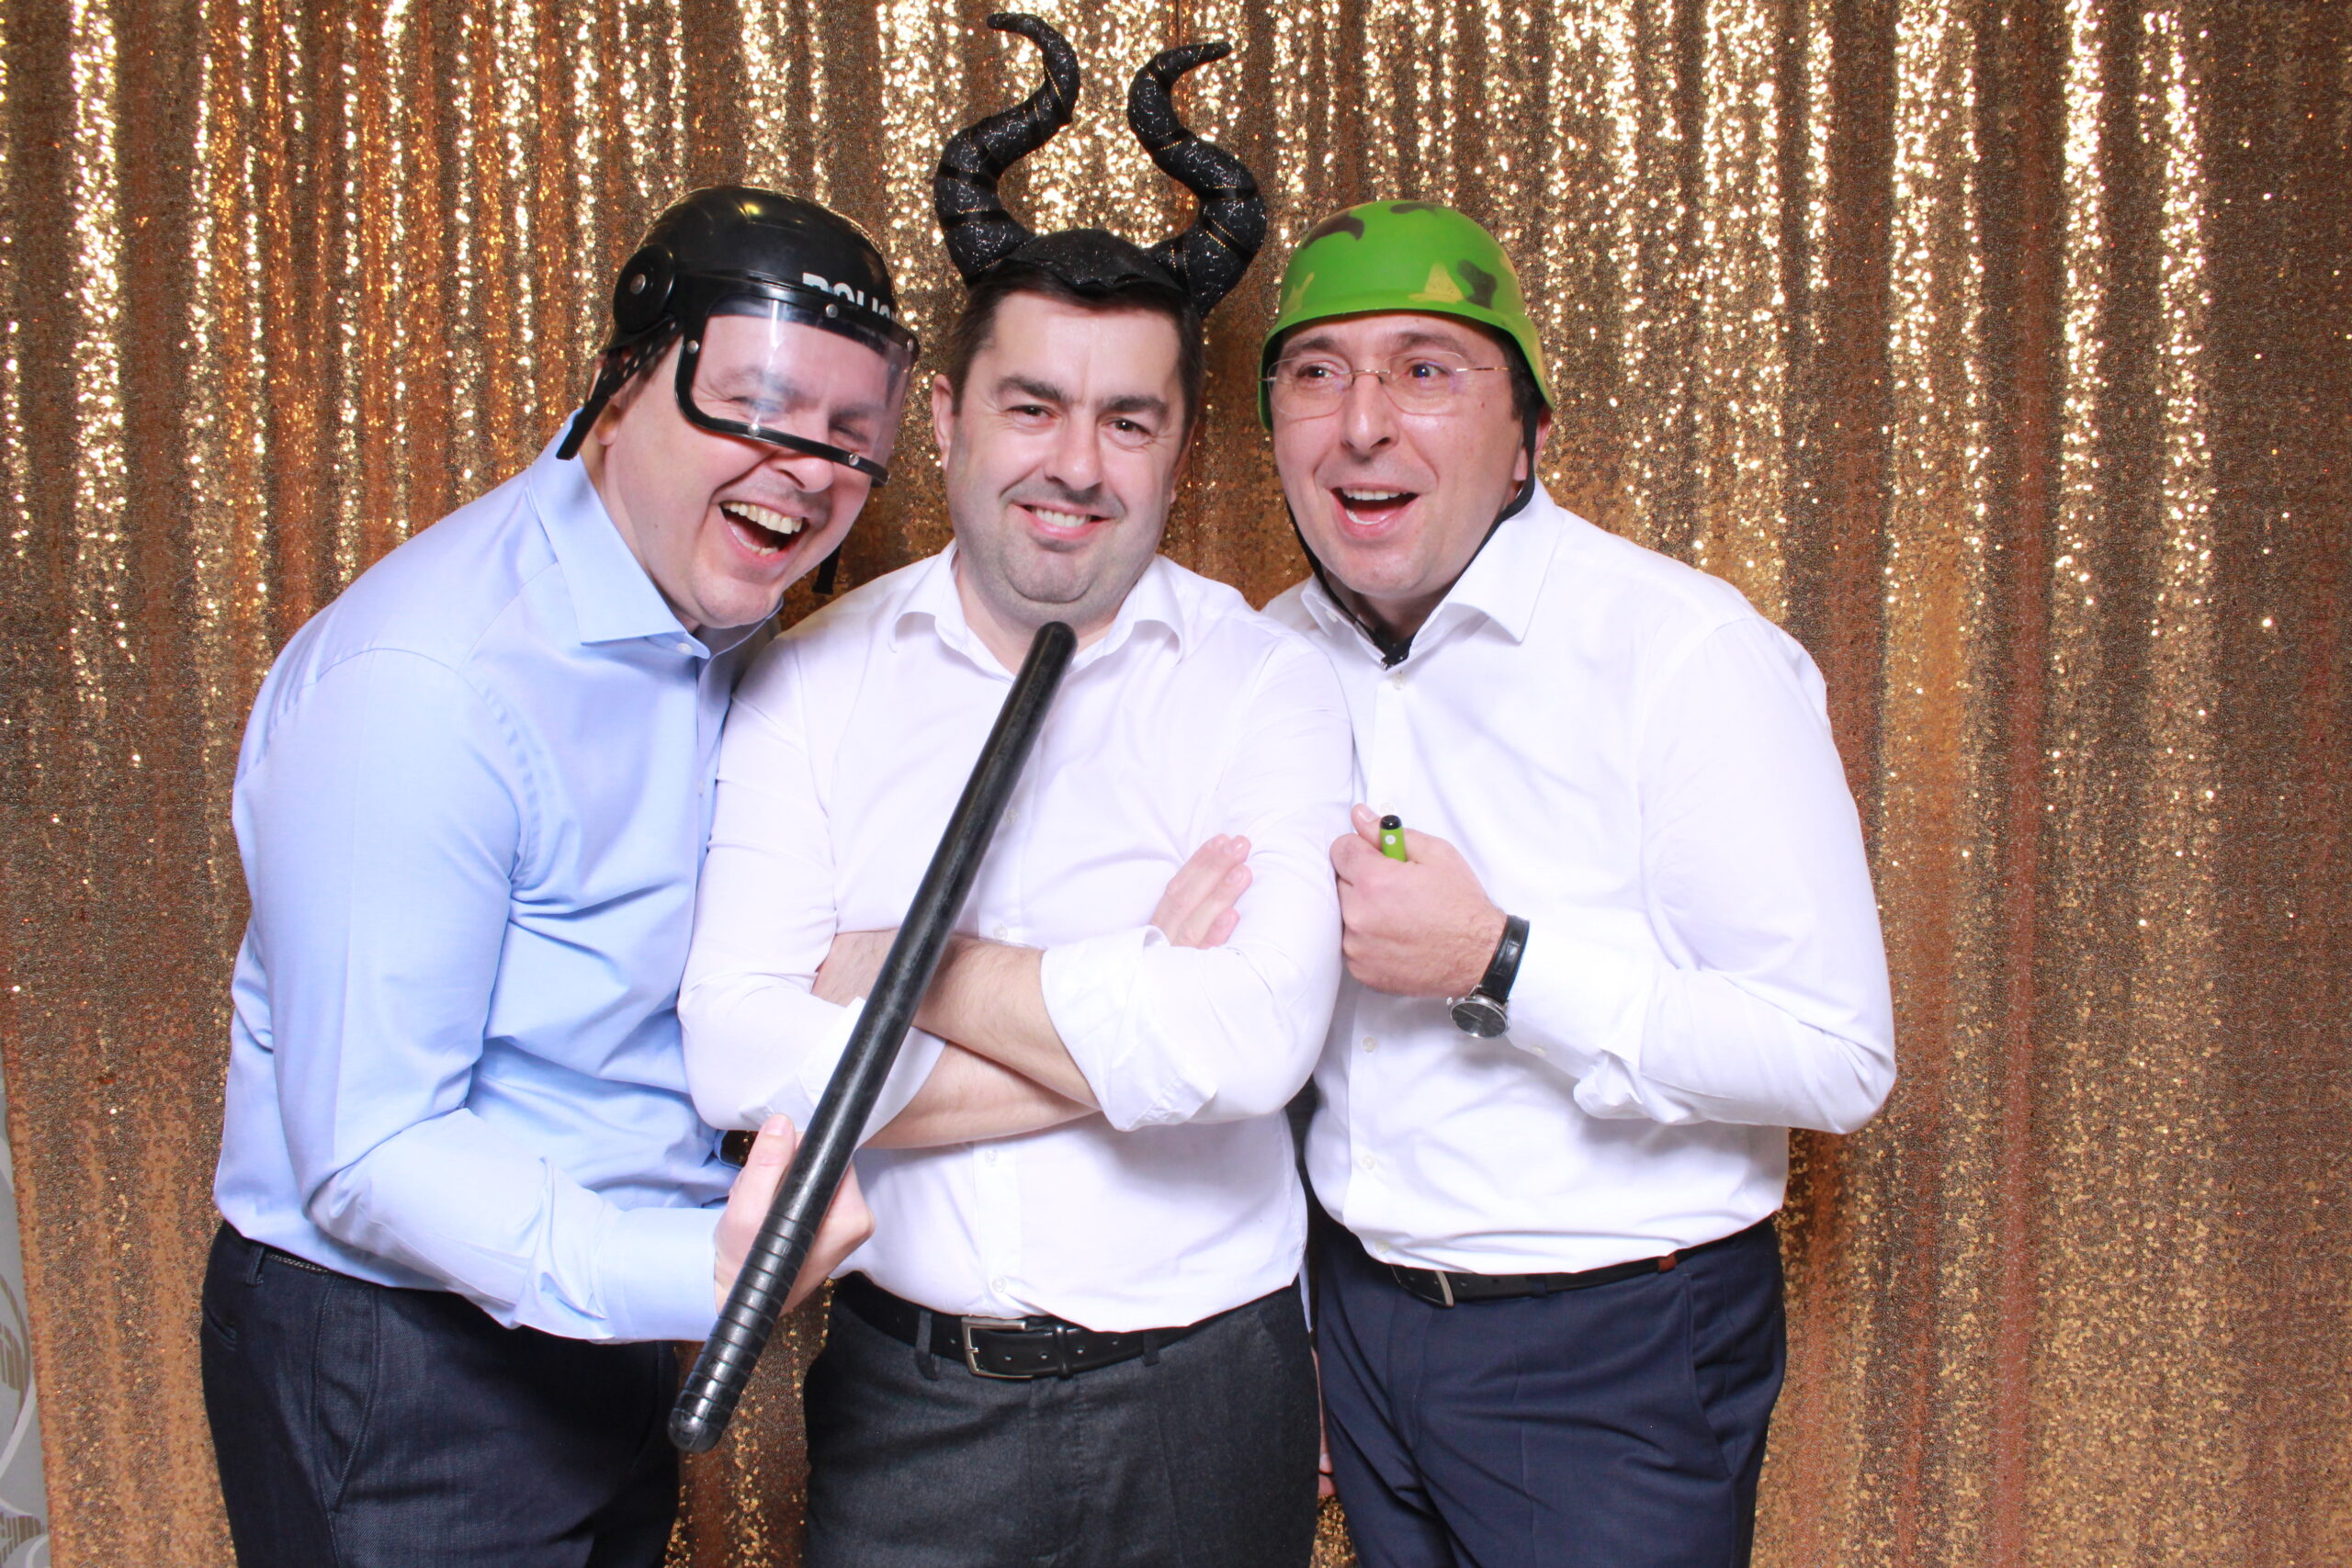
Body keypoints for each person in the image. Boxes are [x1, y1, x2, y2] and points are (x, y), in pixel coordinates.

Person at [679, 18, 1344, 1567]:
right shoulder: (808, 682)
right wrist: (1125, 1015)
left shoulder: (1267, 680)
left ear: (1182, 448)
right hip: (912, 1407)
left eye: (1130, 419)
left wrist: (907, 970)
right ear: (948, 418)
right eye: (1034, 405)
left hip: (1209, 1396)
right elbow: (734, 1057)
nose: (1078, 464)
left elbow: (1257, 1043)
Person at [202, 186, 894, 1567]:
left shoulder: (728, 623)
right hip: (401, 1359)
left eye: (849, 437)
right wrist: (693, 1275)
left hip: (596, 1321)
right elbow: (370, 1151)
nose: (806, 469)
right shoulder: (427, 685)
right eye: (755, 408)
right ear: (622, 385)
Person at [1260, 200, 1898, 1568]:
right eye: (1317, 373)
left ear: (1529, 439)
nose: (1362, 423)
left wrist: (1498, 960)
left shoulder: (1682, 655)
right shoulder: (1264, 661)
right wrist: (1300, 1321)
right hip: (1358, 1324)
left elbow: (1835, 1055)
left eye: (1426, 369)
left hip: (1612, 1348)